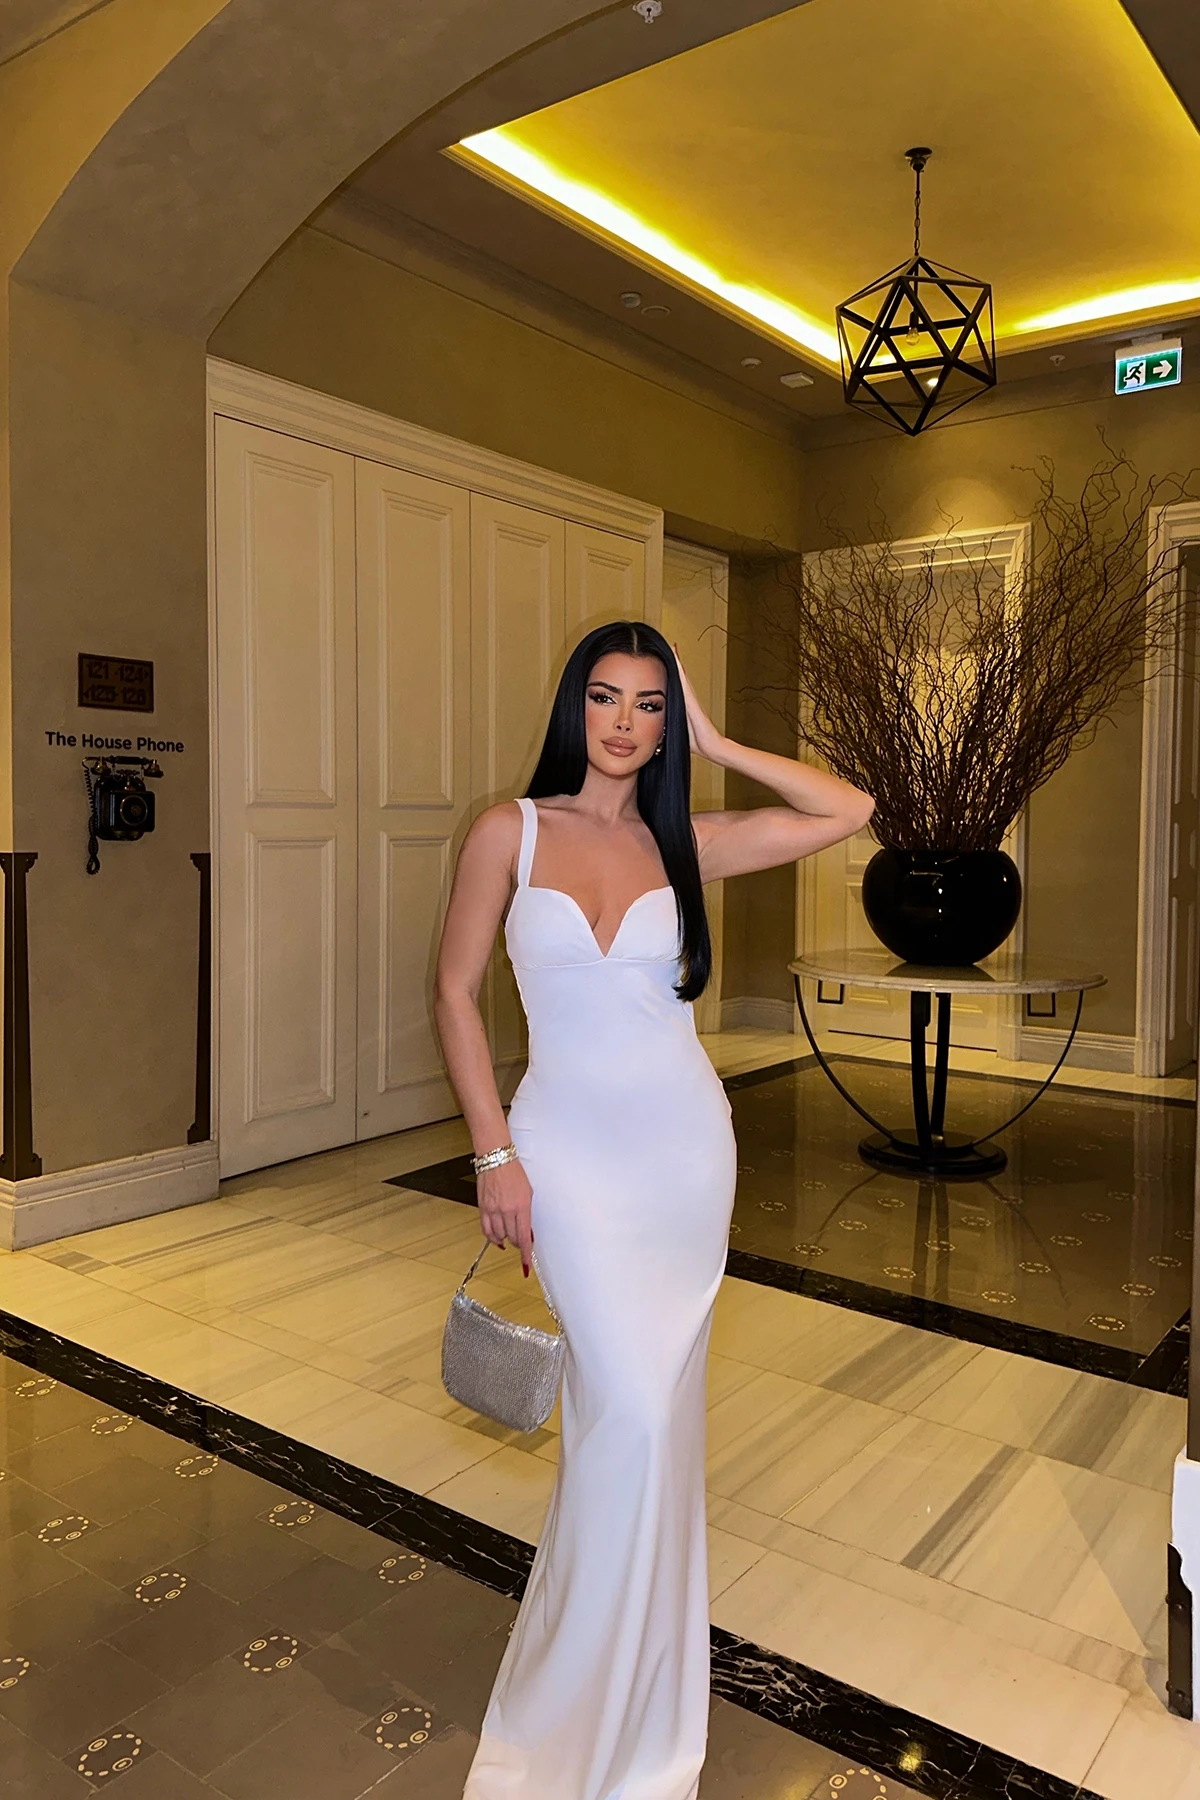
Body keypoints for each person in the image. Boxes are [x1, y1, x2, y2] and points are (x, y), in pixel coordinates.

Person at [434, 619, 873, 1800]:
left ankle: (642, 1714)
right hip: (566, 1156)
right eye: (605, 696)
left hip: (684, 1155)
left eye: (649, 704)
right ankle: (571, 1711)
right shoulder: (510, 830)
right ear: (572, 706)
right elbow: (455, 992)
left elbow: (850, 810)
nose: (624, 721)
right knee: (623, 1415)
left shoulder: (690, 843)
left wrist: (719, 741)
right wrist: (493, 1155)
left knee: (651, 1430)